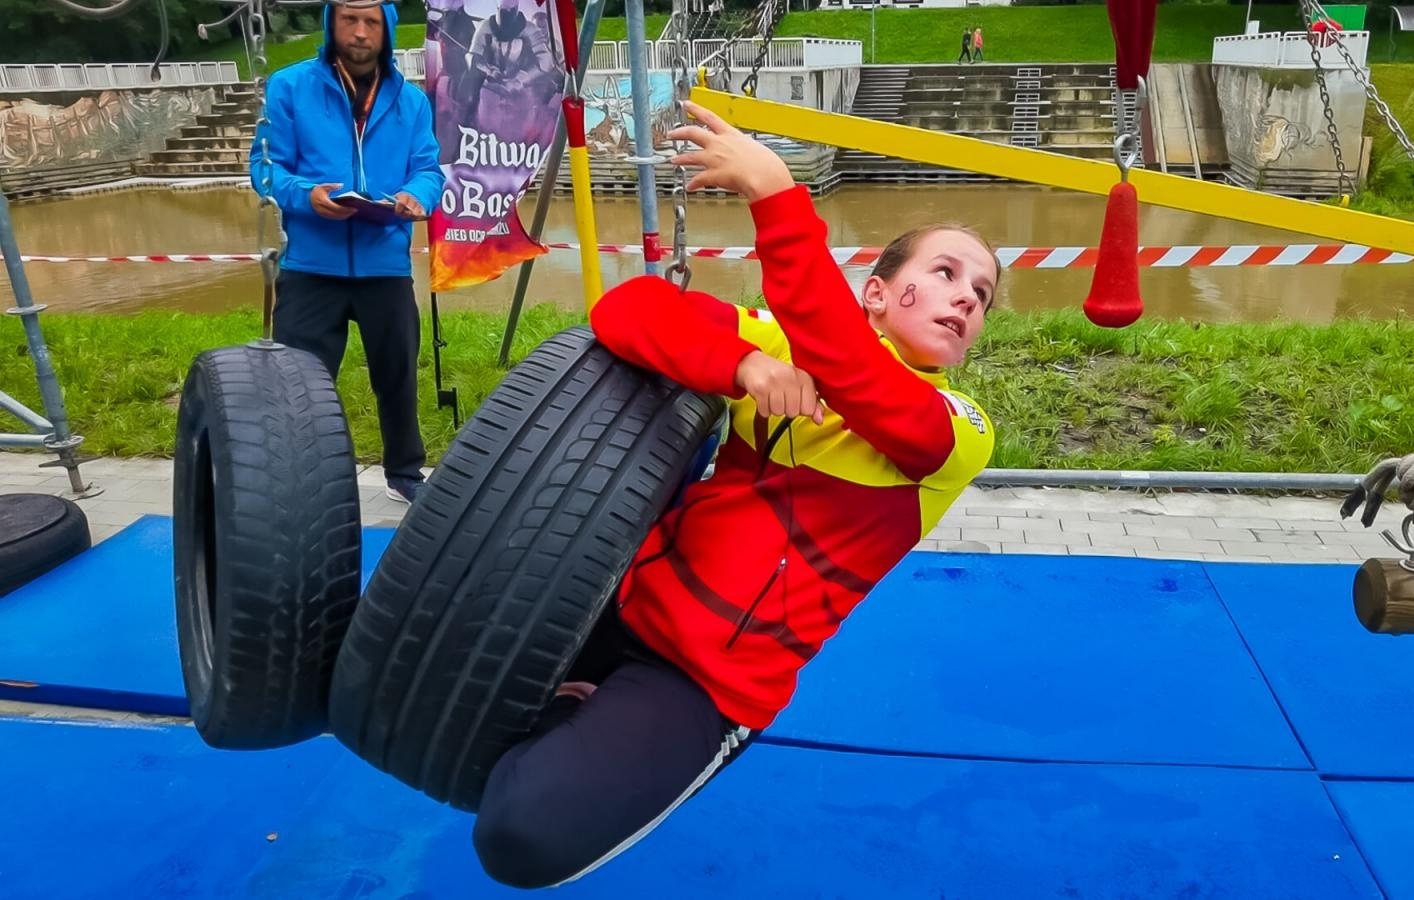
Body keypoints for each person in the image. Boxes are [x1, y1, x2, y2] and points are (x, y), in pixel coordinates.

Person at [470, 99, 1000, 889]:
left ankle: (583, 726)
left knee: (519, 838)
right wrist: (743, 367)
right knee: (416, 668)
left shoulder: (956, 430)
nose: (966, 299)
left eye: (982, 296)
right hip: (608, 604)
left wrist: (777, 196)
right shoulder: (782, 348)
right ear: (879, 294)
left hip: (705, 683)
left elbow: (859, 375)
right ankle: (573, 714)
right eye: (946, 273)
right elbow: (629, 308)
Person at [249, 1, 444, 504]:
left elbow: (428, 169)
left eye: (371, 22)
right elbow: (266, 169)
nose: (360, 33)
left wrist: (416, 196)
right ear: (331, 23)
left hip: (385, 265)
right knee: (299, 386)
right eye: (349, 20)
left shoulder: (412, 101)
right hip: (312, 266)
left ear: (387, 29)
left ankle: (404, 472)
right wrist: (306, 196)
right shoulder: (289, 88)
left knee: (398, 375)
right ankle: (298, 481)